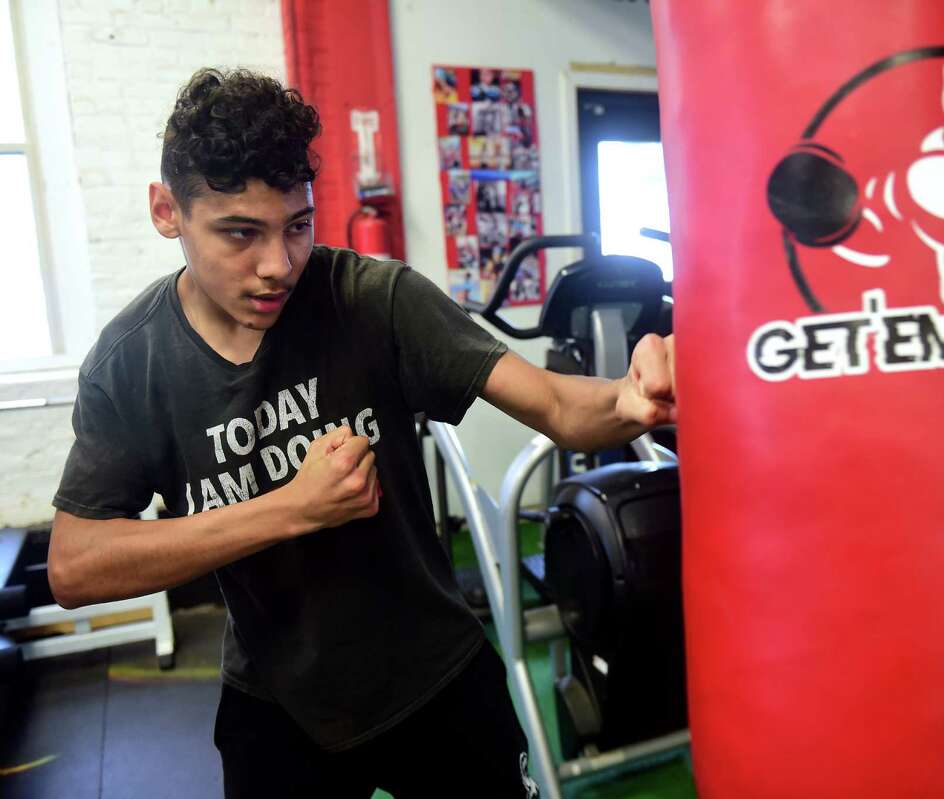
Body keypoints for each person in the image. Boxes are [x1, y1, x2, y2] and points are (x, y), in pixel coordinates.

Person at [47, 68, 676, 798]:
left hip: (434, 673)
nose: (278, 265)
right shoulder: (133, 365)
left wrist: (631, 398)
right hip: (279, 699)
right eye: (241, 233)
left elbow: (558, 406)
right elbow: (75, 566)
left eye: (298, 225)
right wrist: (293, 508)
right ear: (167, 211)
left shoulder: (373, 299)